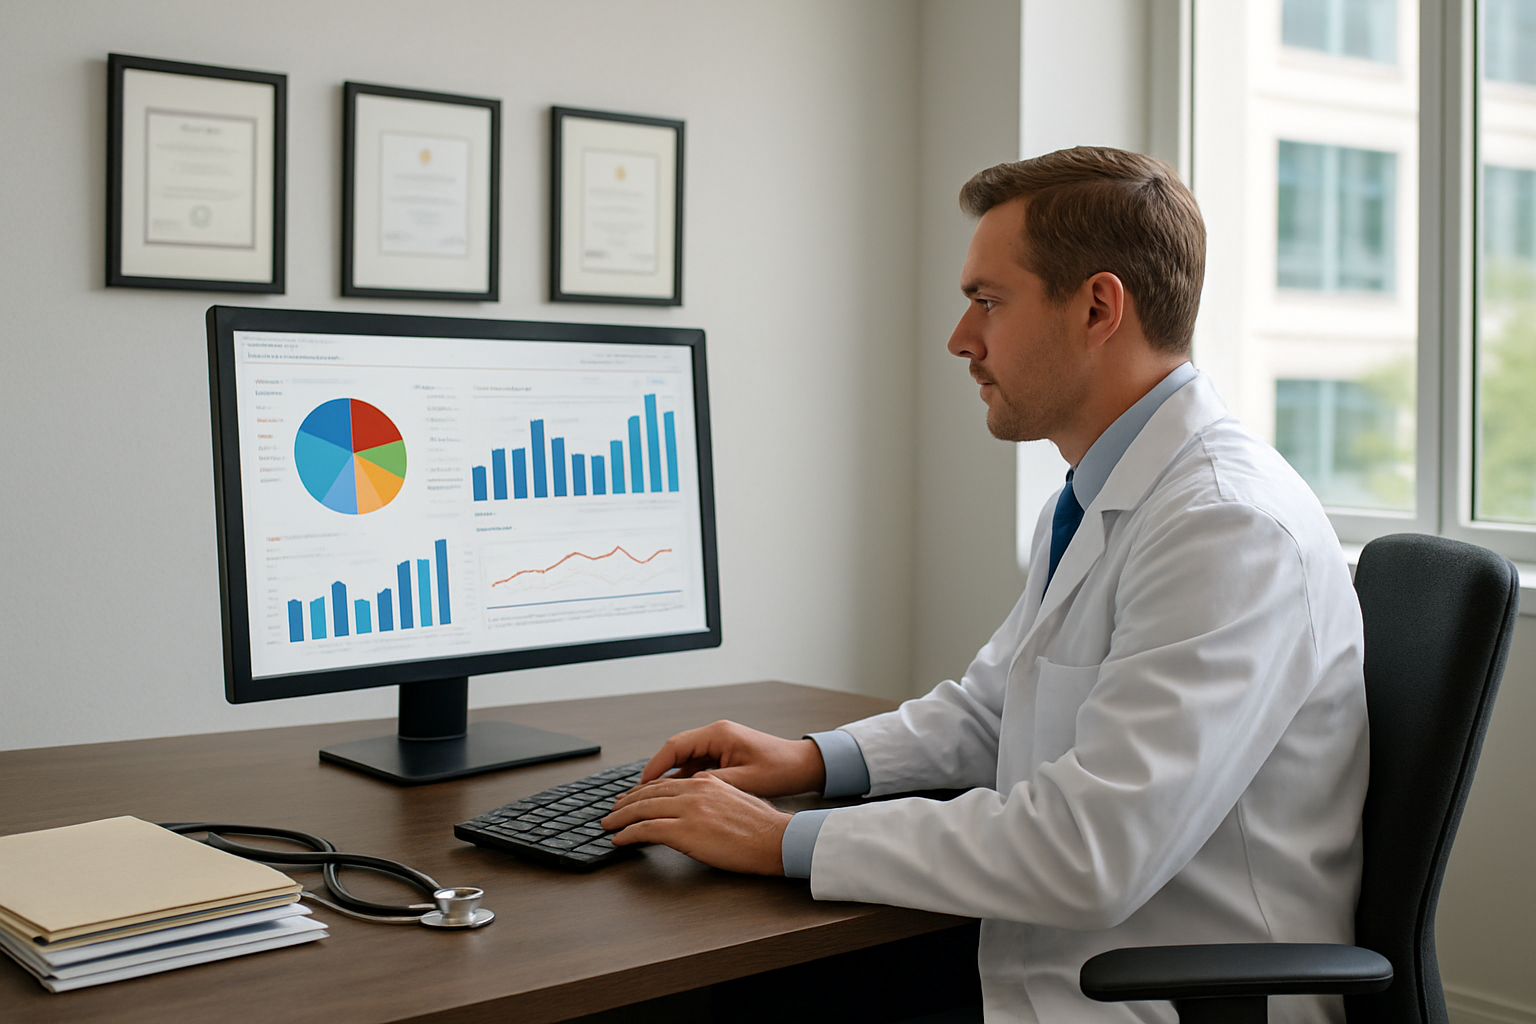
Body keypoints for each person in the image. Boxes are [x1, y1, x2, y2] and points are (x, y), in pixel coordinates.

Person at [601, 147, 1368, 1024]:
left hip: (1159, 998)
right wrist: (810, 760)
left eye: (987, 301)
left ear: (1096, 307)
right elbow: (997, 708)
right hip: (1051, 962)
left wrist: (783, 840)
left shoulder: (1227, 526)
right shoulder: (1096, 495)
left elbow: (1091, 850)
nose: (962, 338)